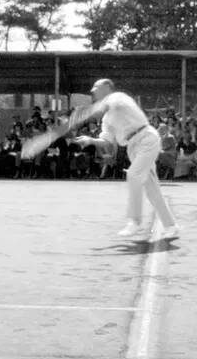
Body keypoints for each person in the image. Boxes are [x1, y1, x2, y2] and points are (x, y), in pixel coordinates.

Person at [73, 79, 179, 240]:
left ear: (108, 88)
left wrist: (89, 110)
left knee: (133, 175)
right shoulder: (106, 119)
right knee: (152, 190)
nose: (94, 92)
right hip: (132, 147)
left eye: (97, 89)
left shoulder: (119, 97)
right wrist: (91, 140)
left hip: (146, 138)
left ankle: (134, 222)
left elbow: (112, 104)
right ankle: (171, 226)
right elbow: (107, 141)